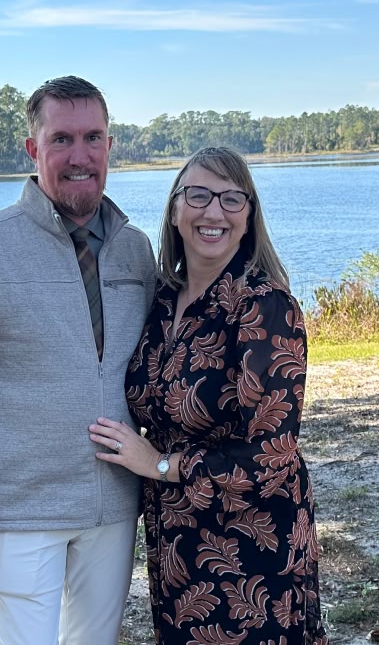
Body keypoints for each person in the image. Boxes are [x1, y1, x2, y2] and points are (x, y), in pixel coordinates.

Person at [0, 76, 157, 645]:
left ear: (110, 146)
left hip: (115, 509)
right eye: (61, 139)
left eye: (92, 138)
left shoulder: (135, 249)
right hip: (22, 513)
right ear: (32, 149)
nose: (79, 156)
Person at [90, 145, 327, 644]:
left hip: (251, 543)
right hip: (176, 540)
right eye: (198, 195)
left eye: (231, 199)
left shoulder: (264, 308)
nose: (214, 212)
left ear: (248, 216)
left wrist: (159, 465)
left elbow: (271, 454)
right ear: (175, 210)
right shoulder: (161, 302)